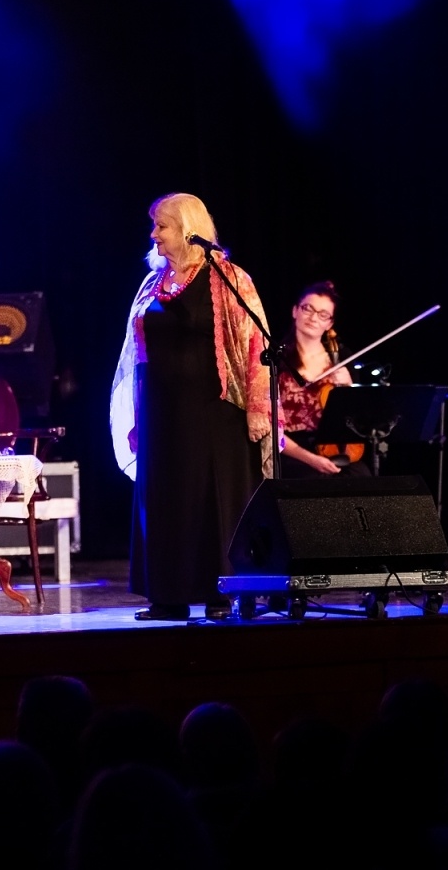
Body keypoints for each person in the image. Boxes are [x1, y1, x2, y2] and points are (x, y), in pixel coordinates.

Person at [110, 193, 271, 622]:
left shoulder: (228, 277)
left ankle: (222, 594)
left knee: (211, 500)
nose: (154, 234)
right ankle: (166, 596)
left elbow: (258, 346)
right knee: (164, 501)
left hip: (215, 412)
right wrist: (137, 416)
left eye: (161, 226)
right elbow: (137, 354)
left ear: (187, 228)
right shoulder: (152, 284)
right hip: (163, 413)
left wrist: (257, 407)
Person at [278, 281, 371, 477]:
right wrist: (310, 459)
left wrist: (349, 385)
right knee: (311, 479)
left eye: (322, 314)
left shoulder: (343, 357)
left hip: (335, 446)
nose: (313, 318)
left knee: (361, 476)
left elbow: (359, 417)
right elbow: (267, 425)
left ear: (329, 323)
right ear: (295, 311)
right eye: (307, 309)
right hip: (292, 451)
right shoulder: (277, 358)